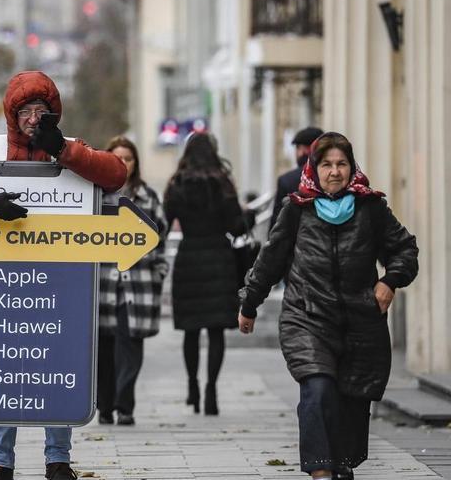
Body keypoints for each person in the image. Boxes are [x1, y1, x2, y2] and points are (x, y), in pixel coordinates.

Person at [0, 70, 126, 480]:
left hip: (60, 282)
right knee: (4, 363)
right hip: (3, 279)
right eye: (26, 112)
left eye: (42, 111)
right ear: (11, 116)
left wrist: (65, 152)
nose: (34, 119)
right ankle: (0, 463)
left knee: (58, 362)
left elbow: (116, 175)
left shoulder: (66, 147)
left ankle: (58, 460)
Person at [238, 131, 418, 480]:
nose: (334, 172)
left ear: (352, 168)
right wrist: (249, 303)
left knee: (351, 402)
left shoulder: (371, 208)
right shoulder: (296, 208)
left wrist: (389, 281)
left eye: (341, 164)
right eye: (326, 164)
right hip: (307, 316)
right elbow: (270, 260)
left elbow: (405, 250)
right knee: (317, 389)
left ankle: (339, 464)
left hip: (359, 321)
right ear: (314, 167)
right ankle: (320, 472)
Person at [163, 132, 245, 416]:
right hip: (219, 259)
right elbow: (236, 226)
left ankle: (192, 385)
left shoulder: (177, 184)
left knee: (190, 329)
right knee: (216, 330)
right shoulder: (222, 184)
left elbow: (164, 220)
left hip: (189, 258)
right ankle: (211, 389)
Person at [96, 136, 167, 426]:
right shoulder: (94, 194)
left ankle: (125, 405)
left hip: (138, 283)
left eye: (128, 157)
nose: (123, 162)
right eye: (117, 156)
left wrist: (160, 269)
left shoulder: (147, 196)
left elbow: (159, 235)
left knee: (130, 346)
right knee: (104, 349)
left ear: (135, 162)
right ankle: (104, 406)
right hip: (101, 282)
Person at [270, 126, 323, 230]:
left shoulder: (286, 180)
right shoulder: (332, 176)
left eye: (297, 148)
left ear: (304, 150)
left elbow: (276, 224)